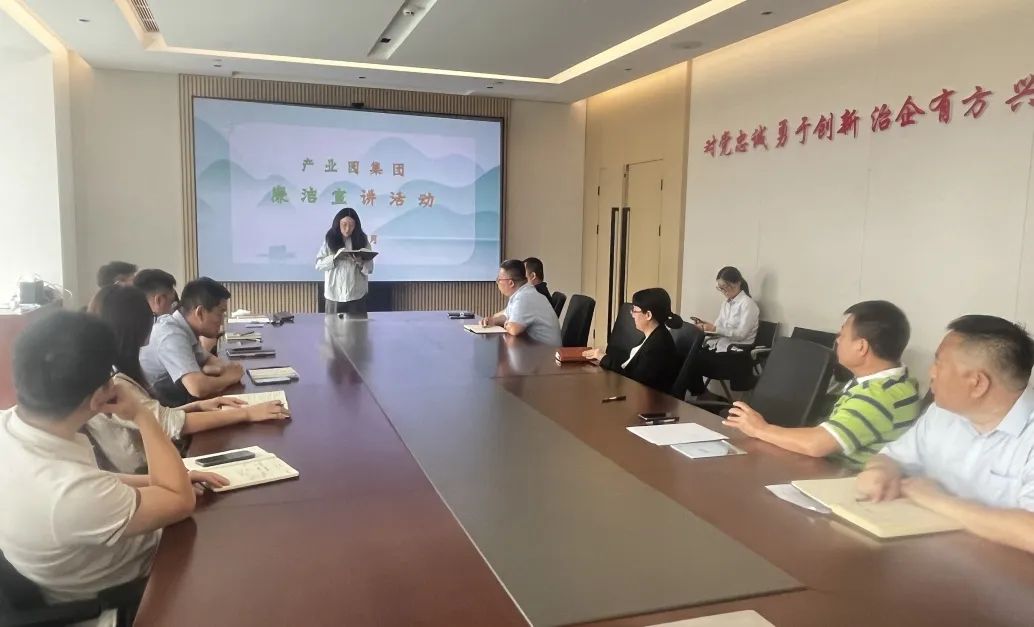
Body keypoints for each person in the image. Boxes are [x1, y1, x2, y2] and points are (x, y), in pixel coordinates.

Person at [0, 311, 224, 620]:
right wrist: (141, 415)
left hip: (96, 563)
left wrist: (156, 481)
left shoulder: (11, 429)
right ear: (99, 398)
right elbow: (181, 501)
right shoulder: (69, 494)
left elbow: (92, 479)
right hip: (133, 592)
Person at [856, 315, 1034, 554]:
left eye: (939, 363)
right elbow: (893, 457)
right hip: (929, 553)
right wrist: (880, 471)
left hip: (1005, 568)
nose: (931, 372)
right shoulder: (942, 413)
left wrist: (937, 500)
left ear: (977, 384)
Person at [87, 284, 290, 473]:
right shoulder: (113, 383)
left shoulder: (112, 369)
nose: (154, 320)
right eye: (150, 316)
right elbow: (169, 423)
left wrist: (198, 406)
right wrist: (247, 413)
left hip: (160, 461)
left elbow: (155, 415)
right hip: (150, 473)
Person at [723, 300, 920, 468]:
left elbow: (817, 445)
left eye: (842, 334)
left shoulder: (878, 396)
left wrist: (760, 429)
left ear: (861, 347)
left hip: (841, 480)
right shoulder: (899, 383)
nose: (837, 340)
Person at [139, 277, 244, 406]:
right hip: (159, 409)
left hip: (174, 399)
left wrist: (223, 368)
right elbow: (197, 388)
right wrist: (228, 378)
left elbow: (207, 358)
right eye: (220, 313)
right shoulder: (171, 334)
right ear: (200, 312)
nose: (222, 321)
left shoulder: (183, 327)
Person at [583, 288, 683, 393]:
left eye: (635, 311)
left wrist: (603, 358)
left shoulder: (657, 346)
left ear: (648, 315)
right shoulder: (654, 334)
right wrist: (602, 357)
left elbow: (634, 381)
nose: (632, 315)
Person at [684, 266, 761, 397]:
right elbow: (718, 327)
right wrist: (705, 326)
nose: (723, 291)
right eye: (720, 288)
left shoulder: (748, 305)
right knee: (686, 354)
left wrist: (714, 329)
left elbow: (741, 334)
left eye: (725, 287)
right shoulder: (726, 303)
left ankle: (702, 394)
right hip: (721, 348)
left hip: (737, 354)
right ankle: (701, 394)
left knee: (691, 360)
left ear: (738, 283)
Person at [481, 259, 563, 346]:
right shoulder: (521, 293)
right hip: (537, 348)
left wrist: (509, 323)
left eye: (499, 279)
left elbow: (514, 329)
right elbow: (506, 315)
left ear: (511, 283)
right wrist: (493, 321)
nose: (497, 283)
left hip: (547, 351)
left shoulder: (524, 297)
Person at [315, 207, 374, 315]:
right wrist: (334, 258)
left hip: (356, 295)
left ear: (356, 226)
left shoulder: (362, 240)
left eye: (351, 225)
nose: (347, 229)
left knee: (358, 326)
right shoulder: (330, 240)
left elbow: (370, 268)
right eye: (344, 224)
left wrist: (360, 262)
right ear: (338, 224)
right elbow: (318, 264)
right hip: (334, 295)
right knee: (332, 325)